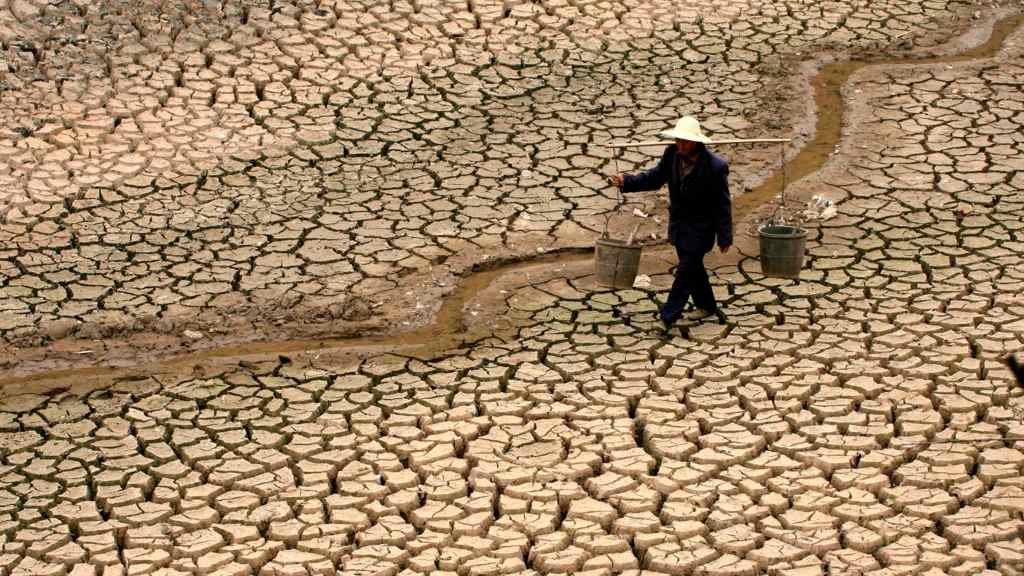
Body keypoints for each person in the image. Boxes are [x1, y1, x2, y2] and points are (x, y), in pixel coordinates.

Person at [610, 115, 732, 331]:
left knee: (685, 271)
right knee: (693, 268)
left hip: (702, 229)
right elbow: (654, 178)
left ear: (697, 142)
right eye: (678, 140)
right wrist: (626, 181)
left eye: (684, 141)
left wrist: (725, 235)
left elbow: (722, 204)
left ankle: (668, 316)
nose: (680, 145)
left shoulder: (715, 167)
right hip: (680, 225)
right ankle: (706, 305)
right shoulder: (672, 155)